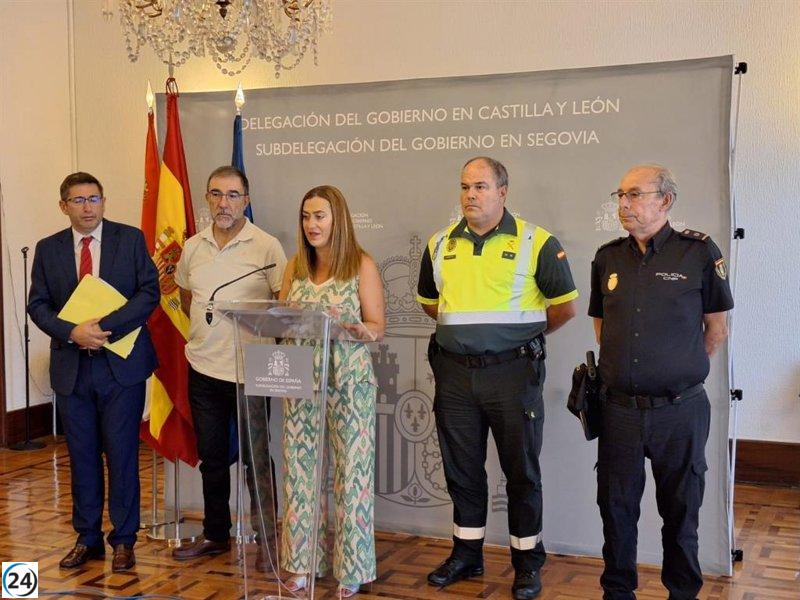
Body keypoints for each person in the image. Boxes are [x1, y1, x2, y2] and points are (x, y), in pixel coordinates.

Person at [417, 157, 578, 600]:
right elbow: (431, 303)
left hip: (513, 373)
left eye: (481, 186)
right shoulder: (439, 243)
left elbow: (564, 307)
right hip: (455, 374)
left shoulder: (536, 242)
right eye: (465, 187)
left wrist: (511, 338)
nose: (471, 195)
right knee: (462, 470)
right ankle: (467, 555)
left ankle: (527, 563)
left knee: (521, 472)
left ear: (503, 192)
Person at [589, 164, 733, 600]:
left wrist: (677, 369)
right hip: (619, 410)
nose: (624, 204)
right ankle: (618, 592)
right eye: (620, 195)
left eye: (634, 194)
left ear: (665, 200)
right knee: (616, 510)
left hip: (680, 410)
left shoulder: (698, 253)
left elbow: (716, 327)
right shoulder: (607, 257)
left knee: (681, 510)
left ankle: (682, 592)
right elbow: (602, 325)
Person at [28, 172, 159, 573]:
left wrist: (104, 328)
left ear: (104, 201)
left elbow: (149, 293)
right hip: (73, 369)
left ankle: (124, 540)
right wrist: (73, 332)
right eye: (78, 200)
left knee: (122, 457)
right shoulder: (48, 248)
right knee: (82, 457)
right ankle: (87, 538)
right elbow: (38, 305)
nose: (88, 207)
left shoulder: (129, 239)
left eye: (94, 199)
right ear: (63, 206)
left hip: (121, 367)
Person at [171, 166, 286, 563]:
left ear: (246, 201)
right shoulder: (193, 247)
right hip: (204, 367)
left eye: (233, 195)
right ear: (207, 198)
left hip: (252, 369)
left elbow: (282, 307)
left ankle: (267, 539)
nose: (224, 203)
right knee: (213, 458)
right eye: (216, 194)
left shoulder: (267, 246)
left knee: (257, 458)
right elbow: (187, 297)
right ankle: (216, 534)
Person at [278, 185, 385, 598]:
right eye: (306, 216)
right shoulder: (294, 266)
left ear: (337, 219)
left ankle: (352, 569)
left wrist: (358, 330)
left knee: (351, 476)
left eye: (319, 216)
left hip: (348, 380)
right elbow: (280, 318)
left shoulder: (361, 264)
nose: (311, 224)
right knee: (299, 474)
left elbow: (377, 327)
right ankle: (301, 564)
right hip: (300, 379)